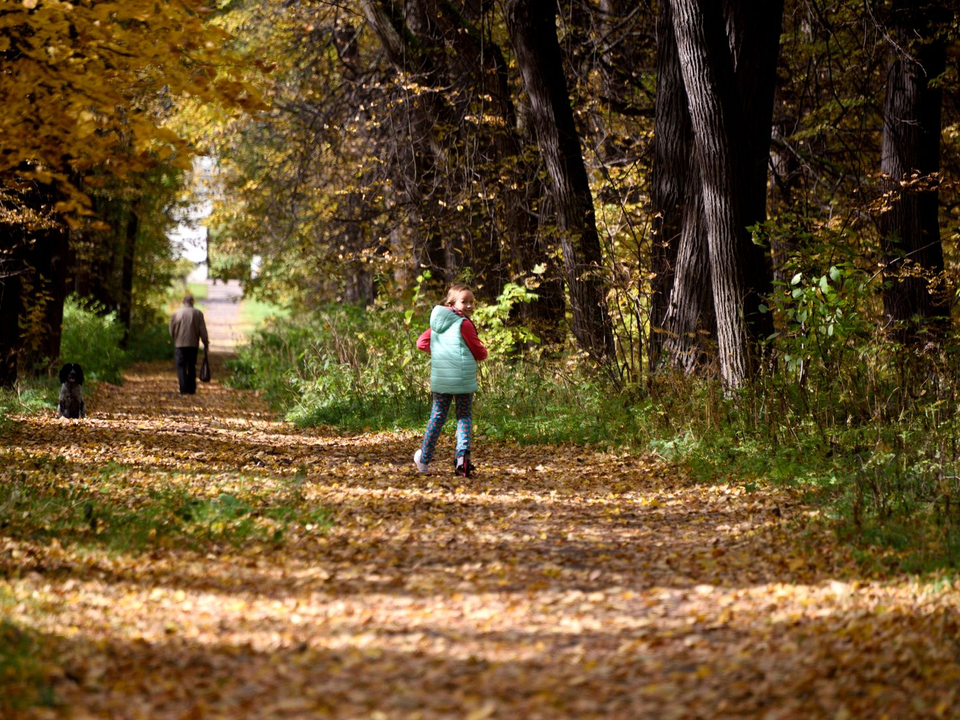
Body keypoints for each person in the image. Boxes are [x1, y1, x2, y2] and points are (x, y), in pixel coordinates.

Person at [413, 283, 488, 477]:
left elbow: (421, 343)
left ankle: (424, 459)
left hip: (442, 378)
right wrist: (483, 352)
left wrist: (440, 354)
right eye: (465, 302)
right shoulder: (464, 324)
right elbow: (479, 353)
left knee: (437, 417)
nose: (470, 306)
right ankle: (462, 459)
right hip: (462, 380)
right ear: (452, 303)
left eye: (472, 302)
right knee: (463, 417)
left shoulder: (437, 324)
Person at [169, 293, 209, 394]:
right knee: (191, 366)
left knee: (181, 366)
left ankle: (183, 388)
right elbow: (202, 330)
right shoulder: (198, 313)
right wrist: (205, 342)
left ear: (183, 302)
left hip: (179, 345)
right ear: (193, 302)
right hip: (193, 344)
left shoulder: (176, 313)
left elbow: (171, 329)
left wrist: (175, 338)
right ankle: (191, 389)